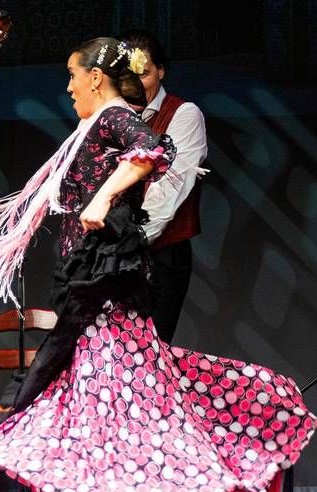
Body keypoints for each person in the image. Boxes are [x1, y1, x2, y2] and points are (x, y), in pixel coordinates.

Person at [0, 37, 317, 492]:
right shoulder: (94, 123)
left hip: (106, 292)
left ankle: (256, 412)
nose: (68, 86)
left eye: (72, 74)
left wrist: (103, 197)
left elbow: (152, 150)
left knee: (117, 405)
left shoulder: (114, 115)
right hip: (92, 284)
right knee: (112, 406)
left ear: (95, 76)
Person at [120, 29, 208, 345]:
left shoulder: (184, 115)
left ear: (160, 70)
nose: (133, 84)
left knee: (147, 362)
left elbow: (166, 194)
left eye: (142, 74)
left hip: (159, 256)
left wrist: (121, 251)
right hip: (113, 256)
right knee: (110, 365)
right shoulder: (114, 118)